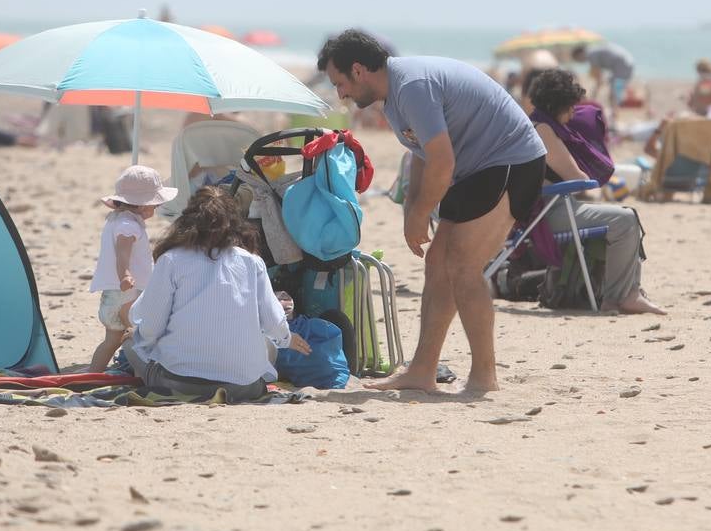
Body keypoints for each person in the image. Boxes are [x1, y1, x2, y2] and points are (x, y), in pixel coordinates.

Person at [317, 29, 546, 393]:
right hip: (474, 168)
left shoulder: (412, 87)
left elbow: (442, 160)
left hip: (510, 161)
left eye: (340, 82)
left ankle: (485, 377)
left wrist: (422, 214)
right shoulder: (392, 95)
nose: (339, 93)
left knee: (463, 266)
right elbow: (421, 153)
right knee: (437, 263)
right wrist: (411, 209)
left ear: (359, 70)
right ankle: (422, 371)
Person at [124, 186, 310, 399]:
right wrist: (287, 339)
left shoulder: (172, 260)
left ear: (189, 220)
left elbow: (150, 324)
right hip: (244, 386)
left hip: (180, 381)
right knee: (268, 344)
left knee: (131, 343)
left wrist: (141, 341)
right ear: (233, 223)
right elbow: (273, 323)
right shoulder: (252, 262)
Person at [527, 69, 665, 314]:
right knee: (624, 219)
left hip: (544, 207)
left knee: (624, 215)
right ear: (557, 106)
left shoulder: (535, 124)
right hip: (547, 213)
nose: (572, 114)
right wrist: (589, 170)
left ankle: (629, 293)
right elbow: (577, 179)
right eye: (570, 107)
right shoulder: (543, 131)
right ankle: (621, 297)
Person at [88, 165, 177, 372]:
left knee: (111, 341)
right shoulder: (129, 226)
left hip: (113, 295)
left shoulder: (117, 219)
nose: (156, 208)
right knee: (140, 335)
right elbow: (122, 252)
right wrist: (125, 274)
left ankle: (92, 372)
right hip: (125, 295)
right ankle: (143, 371)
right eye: (155, 204)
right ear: (143, 205)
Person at [572, 42, 635, 119]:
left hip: (622, 65)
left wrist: (592, 99)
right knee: (613, 93)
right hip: (627, 62)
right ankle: (614, 113)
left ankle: (614, 115)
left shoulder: (591, 54)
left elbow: (598, 79)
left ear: (580, 54)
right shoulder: (593, 50)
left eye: (578, 59)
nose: (580, 62)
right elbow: (599, 77)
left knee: (613, 94)